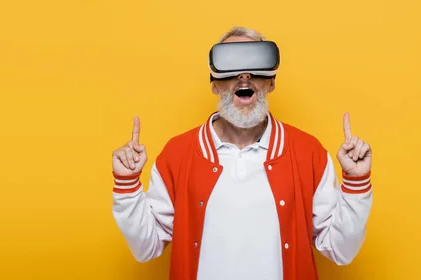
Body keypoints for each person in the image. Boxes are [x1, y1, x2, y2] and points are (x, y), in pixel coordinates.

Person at [111, 26, 373, 280]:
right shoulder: (177, 154)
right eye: (231, 66)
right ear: (214, 84)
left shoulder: (308, 153)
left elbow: (341, 251)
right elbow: (146, 248)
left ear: (271, 82)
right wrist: (127, 186)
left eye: (255, 65)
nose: (244, 75)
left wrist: (356, 184)